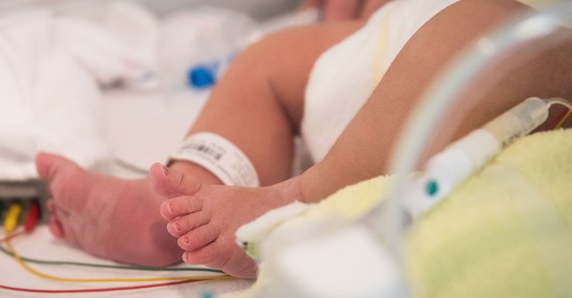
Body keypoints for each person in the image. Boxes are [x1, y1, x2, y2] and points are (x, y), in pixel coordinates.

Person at [36, 0, 572, 279]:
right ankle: (217, 195)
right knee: (262, 63)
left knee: (264, 68)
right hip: (408, 40)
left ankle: (257, 197)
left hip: (452, 50)